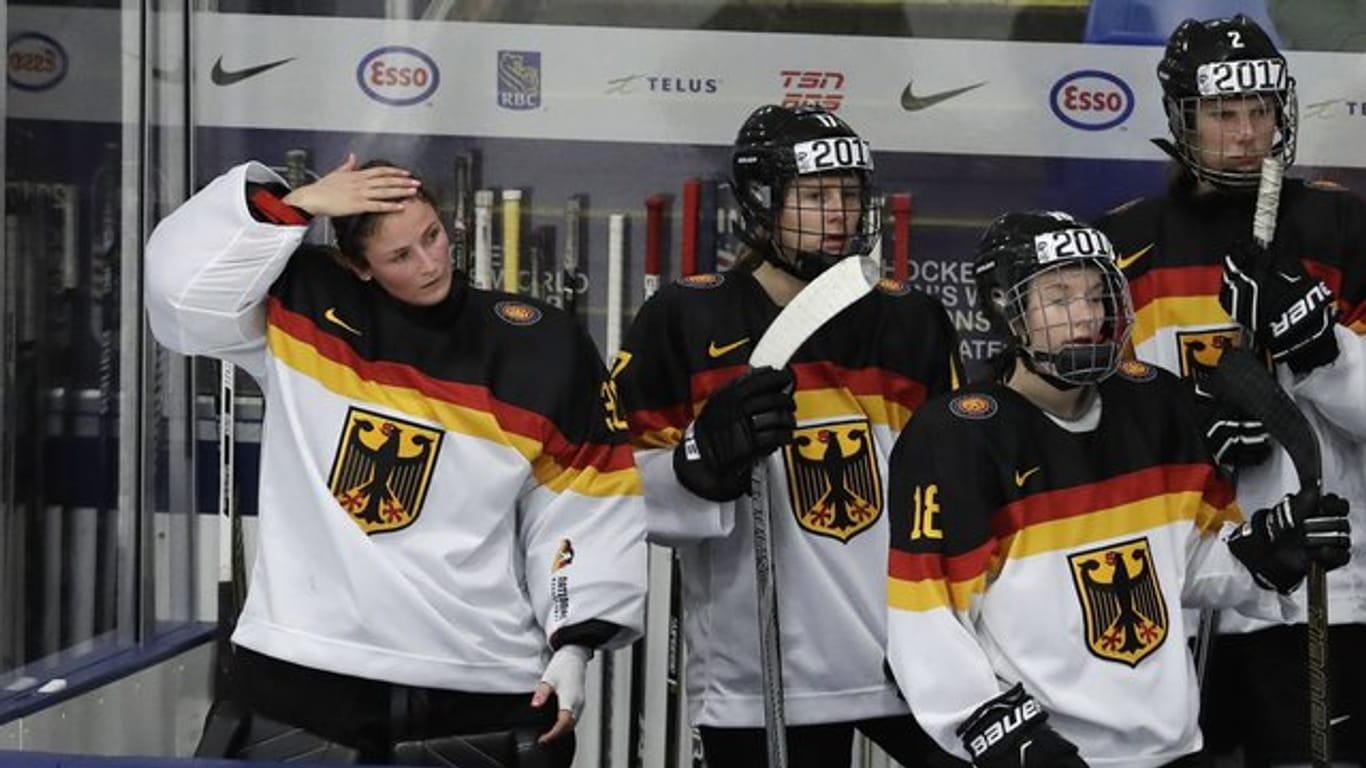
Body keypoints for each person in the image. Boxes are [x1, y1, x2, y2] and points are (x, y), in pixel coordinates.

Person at [143, 155, 648, 767]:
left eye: (432, 236)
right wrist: (296, 204)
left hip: (478, 676)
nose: (430, 263)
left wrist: (576, 641)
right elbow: (180, 291)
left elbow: (584, 497)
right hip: (303, 667)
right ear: (355, 265)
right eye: (399, 257)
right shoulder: (298, 305)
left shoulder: (538, 344)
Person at [884, 210, 1352, 768]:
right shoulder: (956, 438)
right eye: (1058, 299)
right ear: (1004, 309)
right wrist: (1006, 738)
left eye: (1095, 295)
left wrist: (1267, 554)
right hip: (1050, 753)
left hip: (1174, 747)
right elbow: (927, 621)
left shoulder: (1156, 403)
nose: (1084, 317)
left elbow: (1190, 563)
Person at [610, 104, 964, 768]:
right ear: (760, 203)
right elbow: (612, 484)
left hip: (912, 653)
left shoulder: (910, 318)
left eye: (850, 195)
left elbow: (953, 485)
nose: (838, 213)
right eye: (815, 195)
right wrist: (697, 462)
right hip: (760, 672)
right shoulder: (685, 315)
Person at [1094, 14, 1366, 765]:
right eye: (1222, 114)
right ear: (1183, 117)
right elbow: (1085, 417)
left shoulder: (1344, 228)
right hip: (1179, 592)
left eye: (1260, 111)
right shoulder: (1121, 248)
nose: (1246, 133)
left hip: (1321, 587)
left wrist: (1321, 349)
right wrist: (1184, 429)